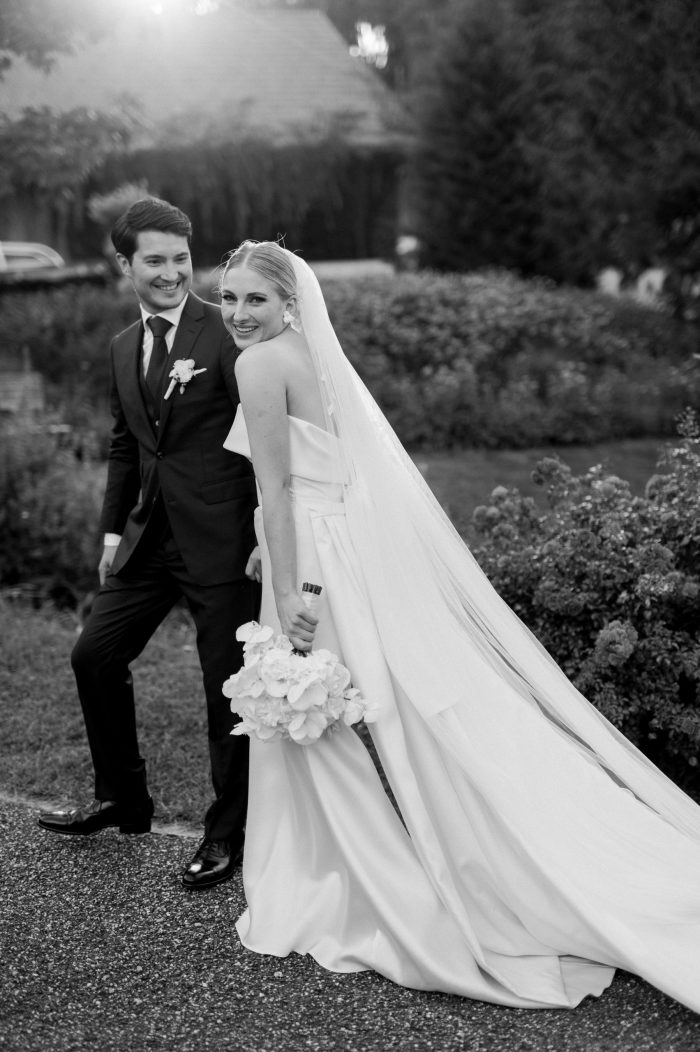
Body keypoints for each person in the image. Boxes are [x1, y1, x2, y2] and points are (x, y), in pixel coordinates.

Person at [218, 239, 700, 1012]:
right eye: (229, 298)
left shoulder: (257, 363)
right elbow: (326, 464)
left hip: (309, 562)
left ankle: (349, 880)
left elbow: (276, 487)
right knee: (381, 706)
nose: (239, 314)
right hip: (334, 541)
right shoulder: (309, 352)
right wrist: (269, 544)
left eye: (255, 299)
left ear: (287, 302)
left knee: (322, 713)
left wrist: (288, 589)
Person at [38, 198, 260, 891]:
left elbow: (267, 437)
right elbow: (125, 446)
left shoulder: (227, 333)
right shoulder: (120, 347)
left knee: (227, 689)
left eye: (181, 259)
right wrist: (112, 532)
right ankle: (123, 799)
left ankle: (226, 833)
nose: (171, 273)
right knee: (94, 655)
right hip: (147, 540)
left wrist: (265, 531)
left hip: (223, 541)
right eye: (155, 260)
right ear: (125, 264)